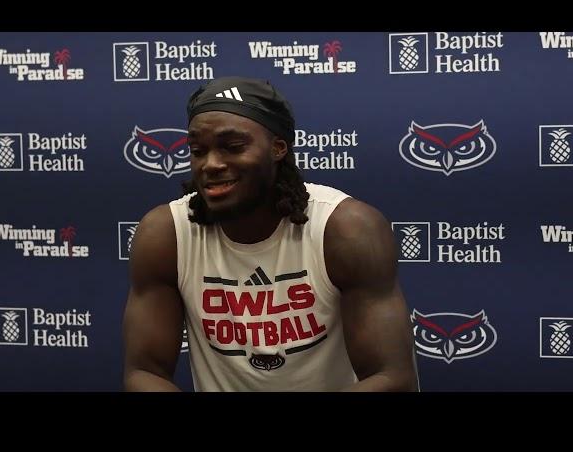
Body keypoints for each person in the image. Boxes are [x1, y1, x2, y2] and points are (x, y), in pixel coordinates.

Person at [122, 76, 419, 391]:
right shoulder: (167, 233)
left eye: (233, 147)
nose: (210, 164)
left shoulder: (345, 228)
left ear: (278, 148)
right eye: (198, 150)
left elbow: (392, 378)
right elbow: (144, 373)